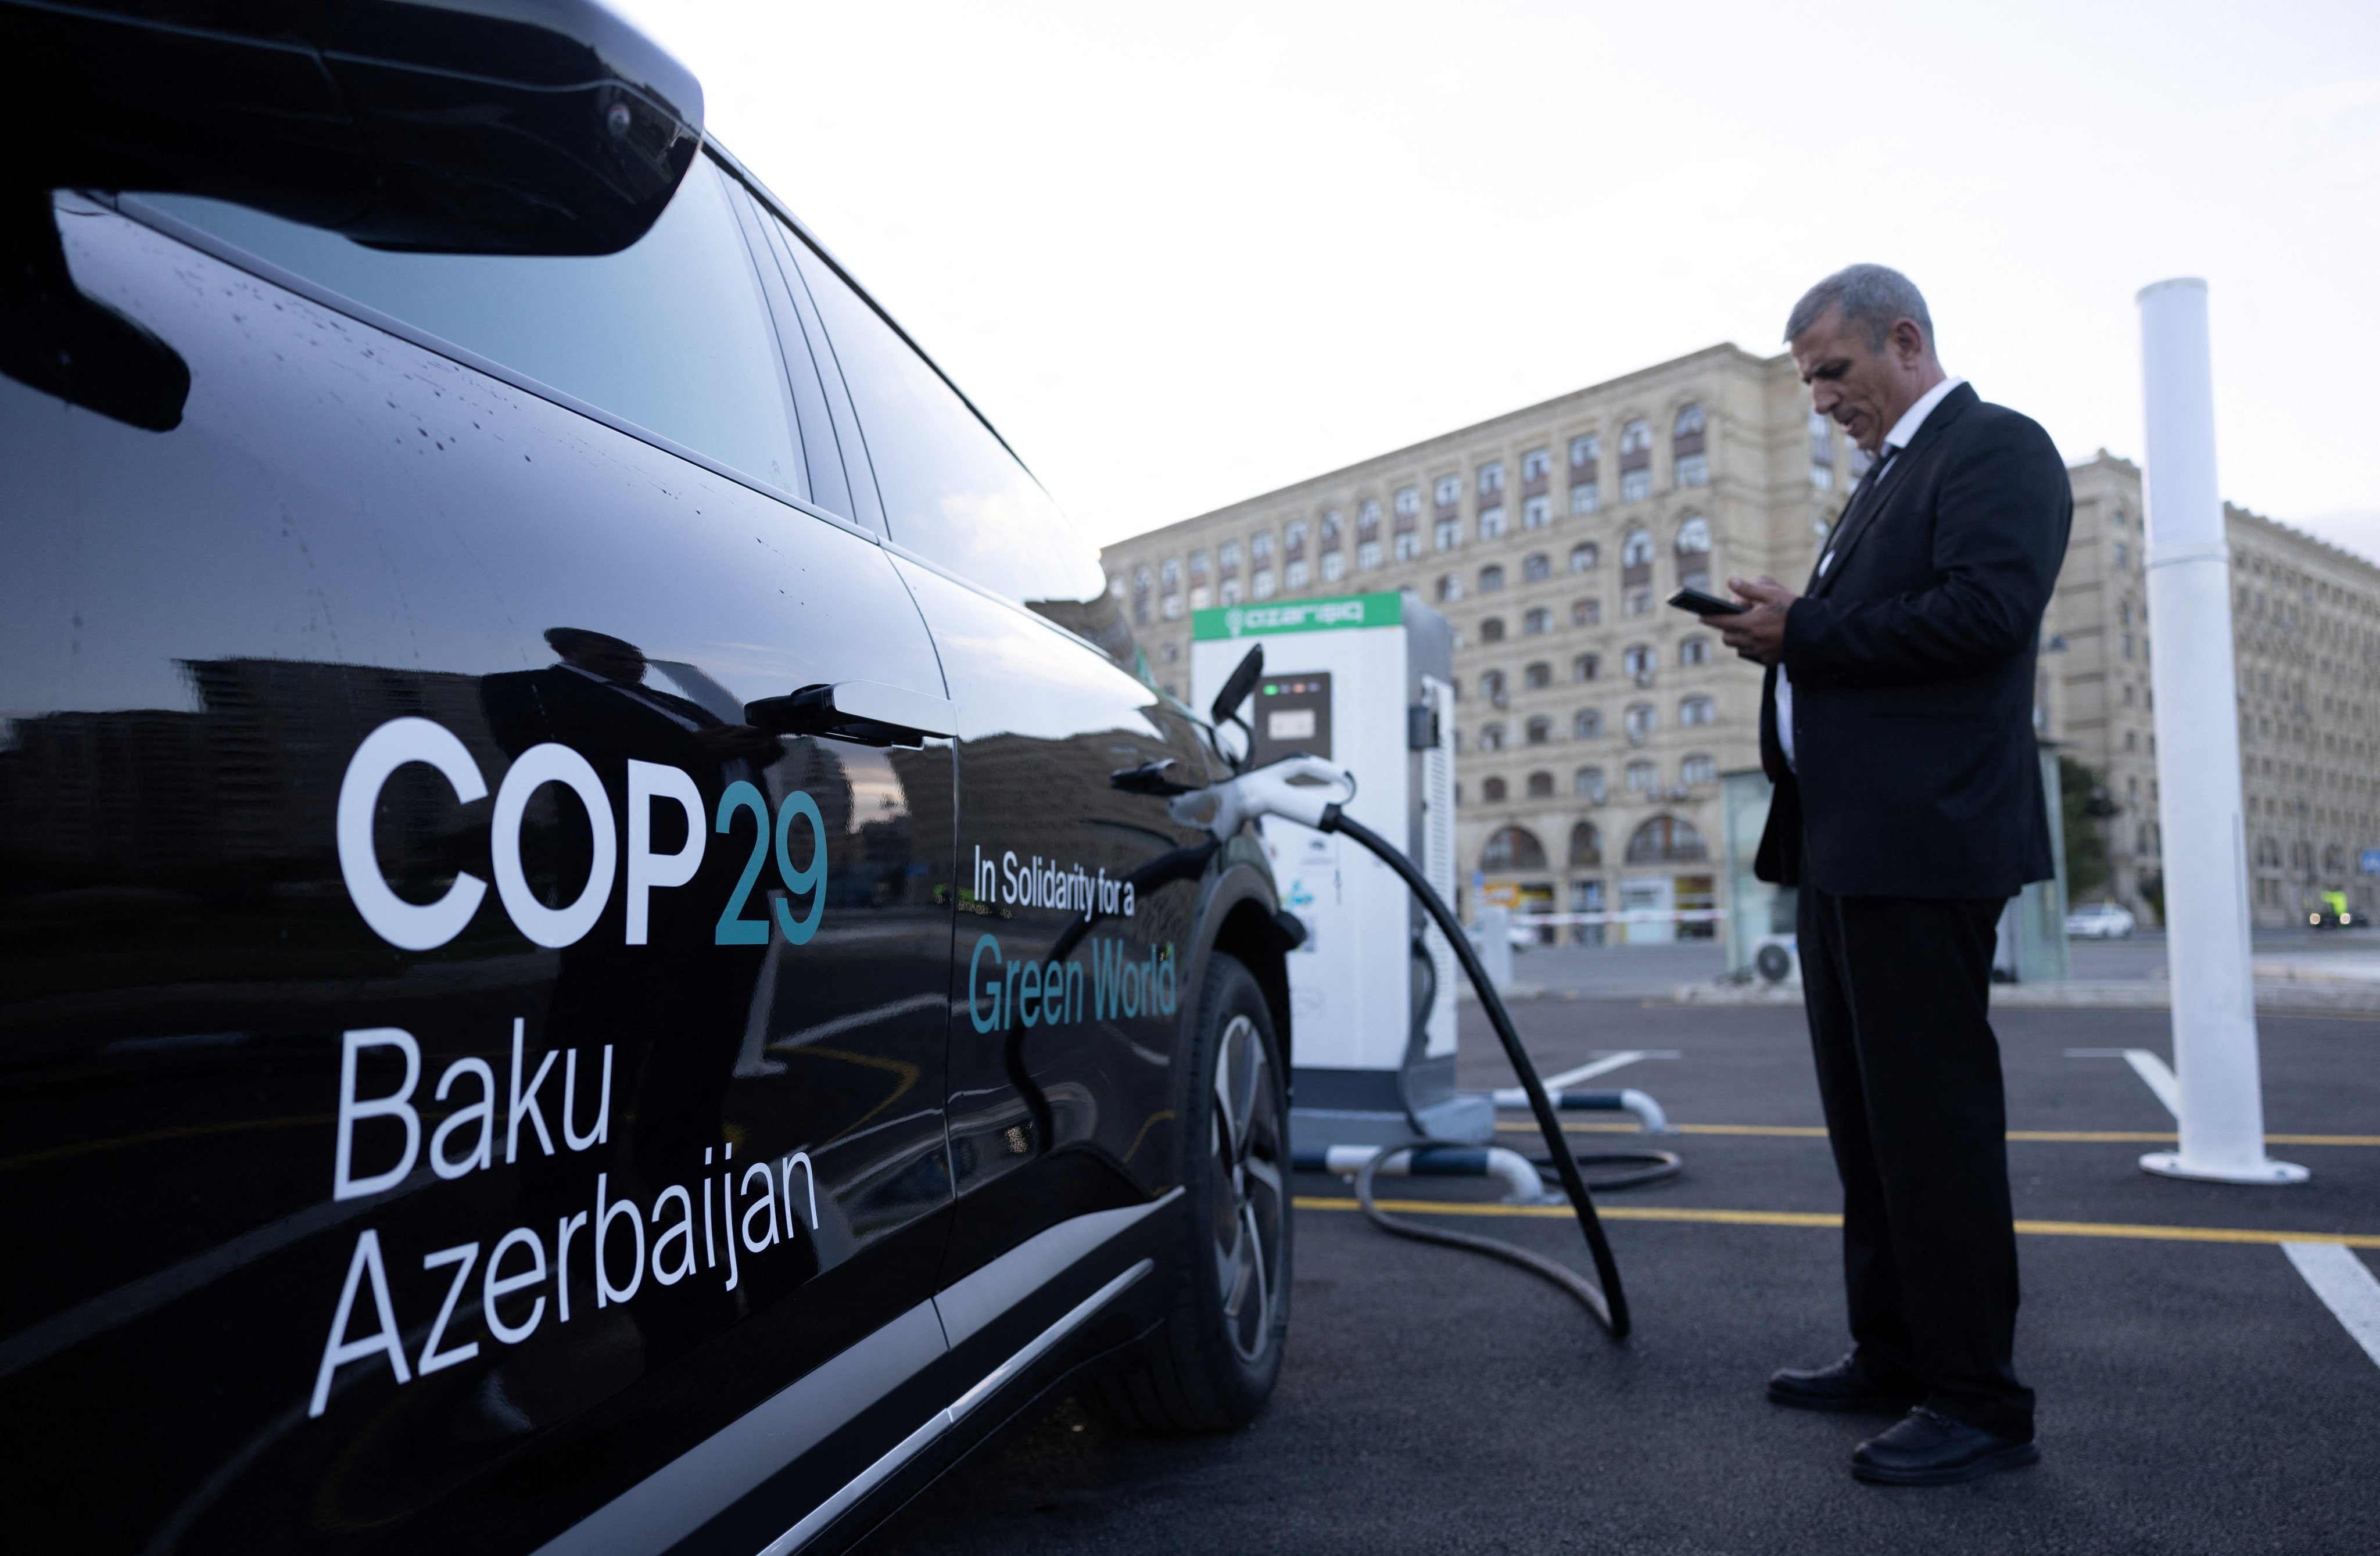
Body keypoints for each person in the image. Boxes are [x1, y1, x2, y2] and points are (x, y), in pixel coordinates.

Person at [1702, 264, 2070, 1486]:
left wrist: (1800, 630)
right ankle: (1894, 1349)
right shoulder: (1885, 479)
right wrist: (1795, 607)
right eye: (1807, 377)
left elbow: (1980, 616)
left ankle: (1978, 1399)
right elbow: (1881, 622)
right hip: (1845, 847)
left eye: (1830, 370)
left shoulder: (1994, 449)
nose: (1816, 397)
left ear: (1903, 340)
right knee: (1869, 1129)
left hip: (1922, 847)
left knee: (1932, 1128)